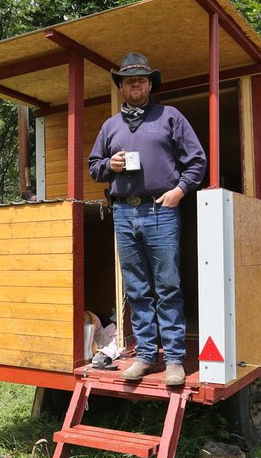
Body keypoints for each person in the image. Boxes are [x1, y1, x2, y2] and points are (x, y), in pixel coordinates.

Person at [88, 52, 207, 386]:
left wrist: (180, 191)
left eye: (140, 79)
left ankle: (173, 361)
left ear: (150, 84)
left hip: (161, 209)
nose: (135, 84)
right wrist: (108, 165)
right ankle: (143, 356)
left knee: (168, 286)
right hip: (124, 212)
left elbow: (197, 161)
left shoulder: (170, 117)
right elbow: (94, 165)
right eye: (128, 80)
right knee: (137, 288)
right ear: (122, 87)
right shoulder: (110, 126)